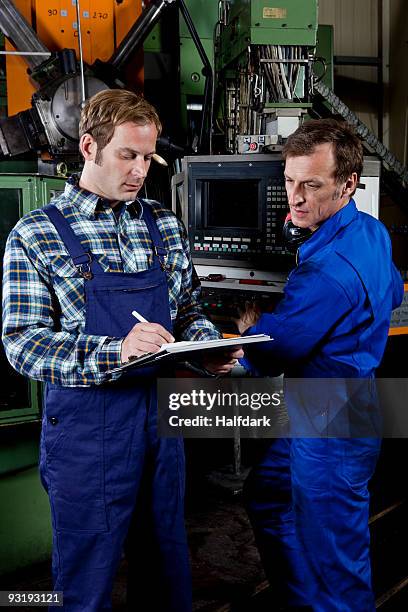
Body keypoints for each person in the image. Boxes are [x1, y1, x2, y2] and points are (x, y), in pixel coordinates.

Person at [2, 89, 242, 612]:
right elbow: (23, 345)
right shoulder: (37, 235)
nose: (139, 171)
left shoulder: (164, 224)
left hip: (161, 427)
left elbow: (188, 308)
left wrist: (205, 347)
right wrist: (117, 352)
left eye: (148, 157)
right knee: (83, 584)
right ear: (89, 147)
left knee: (165, 567)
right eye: (126, 155)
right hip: (88, 437)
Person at [236, 119, 404, 611]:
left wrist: (250, 330)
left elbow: (277, 348)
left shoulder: (327, 271)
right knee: (268, 497)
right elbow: (392, 291)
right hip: (338, 401)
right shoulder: (371, 231)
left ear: (348, 183)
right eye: (290, 181)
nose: (295, 197)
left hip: (331, 418)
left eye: (312, 185)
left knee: (336, 559)